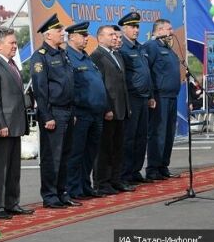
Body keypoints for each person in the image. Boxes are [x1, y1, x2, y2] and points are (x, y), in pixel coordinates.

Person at [0, 27, 34, 219]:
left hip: (14, 124)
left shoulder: (11, 63)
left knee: (13, 168)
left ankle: (12, 203)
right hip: (1, 127)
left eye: (15, 42)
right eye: (11, 43)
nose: (15, 46)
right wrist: (0, 124)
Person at [30, 14, 79, 209]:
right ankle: (50, 195)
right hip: (53, 113)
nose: (62, 34)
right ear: (48, 34)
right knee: (52, 157)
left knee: (66, 154)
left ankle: (62, 192)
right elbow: (40, 90)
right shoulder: (40, 56)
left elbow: (69, 84)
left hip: (67, 110)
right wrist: (47, 115)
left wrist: (72, 111)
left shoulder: (62, 53)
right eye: (59, 30)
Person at [65, 21, 106, 200]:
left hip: (95, 113)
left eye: (86, 35)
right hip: (81, 113)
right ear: (72, 37)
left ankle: (85, 185)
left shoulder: (85, 56)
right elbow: (69, 87)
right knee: (76, 153)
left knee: (90, 152)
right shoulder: (67, 57)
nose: (86, 38)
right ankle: (73, 188)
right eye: (83, 35)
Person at [90, 25, 132, 195]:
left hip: (120, 108)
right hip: (108, 110)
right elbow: (99, 85)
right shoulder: (96, 56)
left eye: (116, 35)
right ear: (100, 38)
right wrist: (106, 108)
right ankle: (102, 182)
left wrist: (127, 107)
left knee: (117, 148)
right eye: (111, 35)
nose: (115, 37)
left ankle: (116, 180)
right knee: (104, 149)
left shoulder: (117, 55)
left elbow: (122, 85)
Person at [117, 12, 155, 184]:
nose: (136, 30)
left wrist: (151, 95)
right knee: (129, 138)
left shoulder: (140, 48)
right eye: (132, 26)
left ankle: (135, 171)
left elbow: (147, 74)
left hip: (144, 98)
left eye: (137, 26)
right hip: (131, 98)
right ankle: (124, 174)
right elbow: (122, 78)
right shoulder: (122, 49)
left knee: (141, 137)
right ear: (124, 28)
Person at [143, 19, 181, 180]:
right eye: (169, 28)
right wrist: (150, 95)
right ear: (158, 31)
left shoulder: (168, 48)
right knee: (158, 133)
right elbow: (147, 71)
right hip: (160, 96)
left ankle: (163, 166)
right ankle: (153, 169)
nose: (172, 32)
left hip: (172, 96)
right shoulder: (152, 46)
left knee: (168, 134)